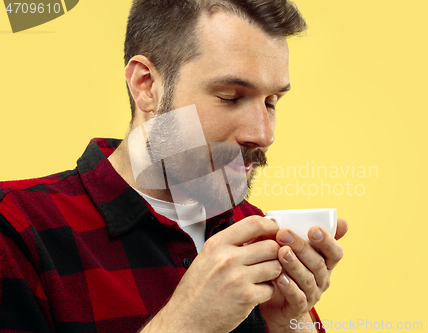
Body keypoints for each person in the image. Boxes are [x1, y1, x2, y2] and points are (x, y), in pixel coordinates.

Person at [0, 0, 348, 332]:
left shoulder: (257, 230)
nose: (263, 134)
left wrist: (289, 322)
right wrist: (187, 324)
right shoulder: (17, 226)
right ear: (146, 85)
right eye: (231, 97)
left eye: (271, 102)